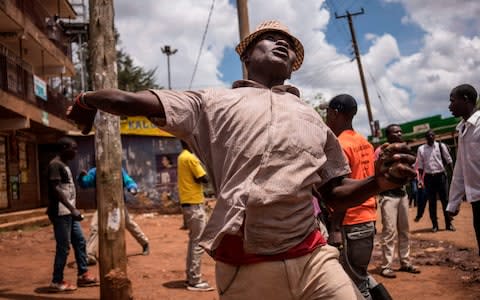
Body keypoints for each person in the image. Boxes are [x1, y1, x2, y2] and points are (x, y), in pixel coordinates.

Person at [66, 20, 416, 299]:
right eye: (270, 38)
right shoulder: (209, 102)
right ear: (246, 57)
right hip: (247, 267)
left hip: (313, 257)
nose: (283, 43)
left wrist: (378, 182)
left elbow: (334, 192)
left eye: (289, 45)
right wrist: (87, 100)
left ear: (292, 70)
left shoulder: (311, 117)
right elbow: (131, 100)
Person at [325, 94, 391, 299]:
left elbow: (344, 190)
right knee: (359, 275)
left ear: (335, 113)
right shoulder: (365, 142)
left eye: (327, 113)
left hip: (349, 222)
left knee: (355, 284)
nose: (327, 118)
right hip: (367, 218)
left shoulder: (340, 145)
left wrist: (335, 228)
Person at [46, 137, 98, 292]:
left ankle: (83, 275)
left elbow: (66, 187)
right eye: (73, 148)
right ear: (63, 148)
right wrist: (72, 208)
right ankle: (56, 281)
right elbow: (55, 189)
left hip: (68, 213)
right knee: (63, 247)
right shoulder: (55, 165)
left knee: (80, 241)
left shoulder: (64, 165)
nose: (76, 152)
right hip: (61, 213)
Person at [78, 167, 150, 265]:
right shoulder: (95, 171)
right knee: (95, 227)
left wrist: (132, 188)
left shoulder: (118, 169)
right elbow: (85, 184)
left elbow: (129, 181)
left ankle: (145, 243)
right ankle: (90, 255)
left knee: (128, 223)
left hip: (118, 204)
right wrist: (81, 177)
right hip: (102, 205)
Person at [376, 124, 420, 279]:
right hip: (388, 196)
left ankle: (405, 262)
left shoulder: (404, 150)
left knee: (404, 230)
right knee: (389, 232)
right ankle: (386, 266)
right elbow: (377, 170)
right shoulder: (381, 151)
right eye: (396, 132)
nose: (400, 133)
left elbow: (412, 168)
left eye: (401, 131)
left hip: (402, 195)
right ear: (388, 135)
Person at [446, 84, 480, 256]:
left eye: (452, 101)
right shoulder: (464, 129)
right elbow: (460, 169)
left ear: (465, 99)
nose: (449, 106)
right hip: (476, 200)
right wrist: (454, 202)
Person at [177, 140, 214, 291]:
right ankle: (195, 280)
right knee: (198, 243)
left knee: (194, 242)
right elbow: (203, 178)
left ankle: (191, 277)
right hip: (194, 204)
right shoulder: (190, 158)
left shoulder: (181, 157)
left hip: (188, 204)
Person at [416, 130, 454, 232]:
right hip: (429, 178)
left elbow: (449, 160)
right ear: (426, 138)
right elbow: (420, 165)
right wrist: (420, 179)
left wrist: (453, 174)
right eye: (429, 136)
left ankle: (449, 224)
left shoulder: (441, 146)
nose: (431, 137)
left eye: (433, 135)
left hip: (441, 176)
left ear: (435, 136)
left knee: (445, 201)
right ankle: (435, 225)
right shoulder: (421, 149)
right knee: (432, 202)